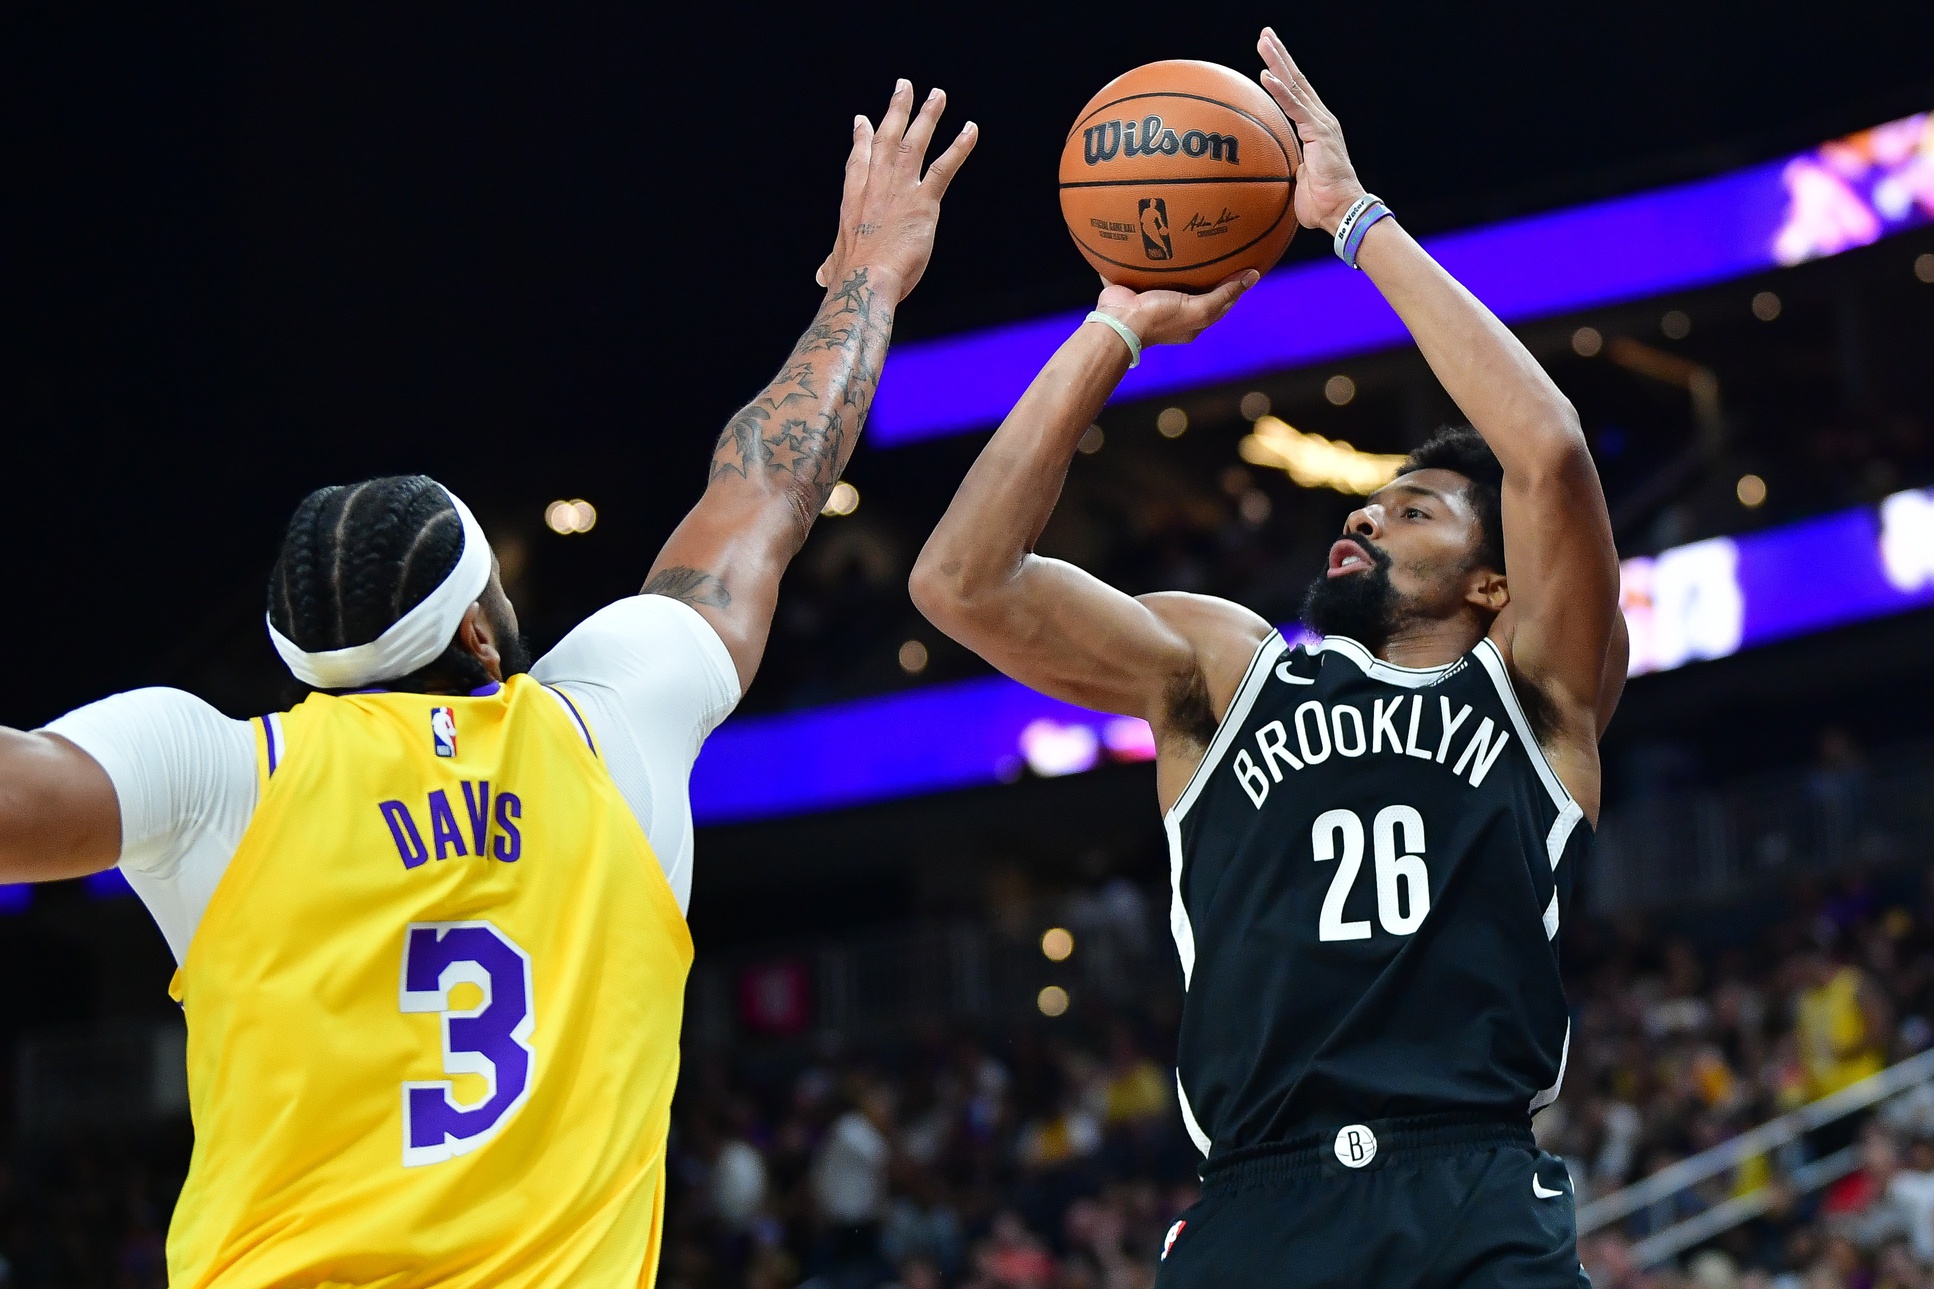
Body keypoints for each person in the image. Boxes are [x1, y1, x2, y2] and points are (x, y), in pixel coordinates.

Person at [0, 81, 975, 1289]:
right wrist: (863, 284)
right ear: (475, 622)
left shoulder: (216, 774)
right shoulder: (608, 727)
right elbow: (759, 498)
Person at [911, 29, 1625, 1289]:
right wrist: (1113, 326)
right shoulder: (1226, 672)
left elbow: (1550, 453)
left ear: (1491, 582)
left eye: (1412, 510)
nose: (1361, 514)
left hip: (1471, 1187)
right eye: (1365, 503)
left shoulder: (1532, 694)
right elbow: (958, 584)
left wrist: (1354, 221)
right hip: (1259, 1199)